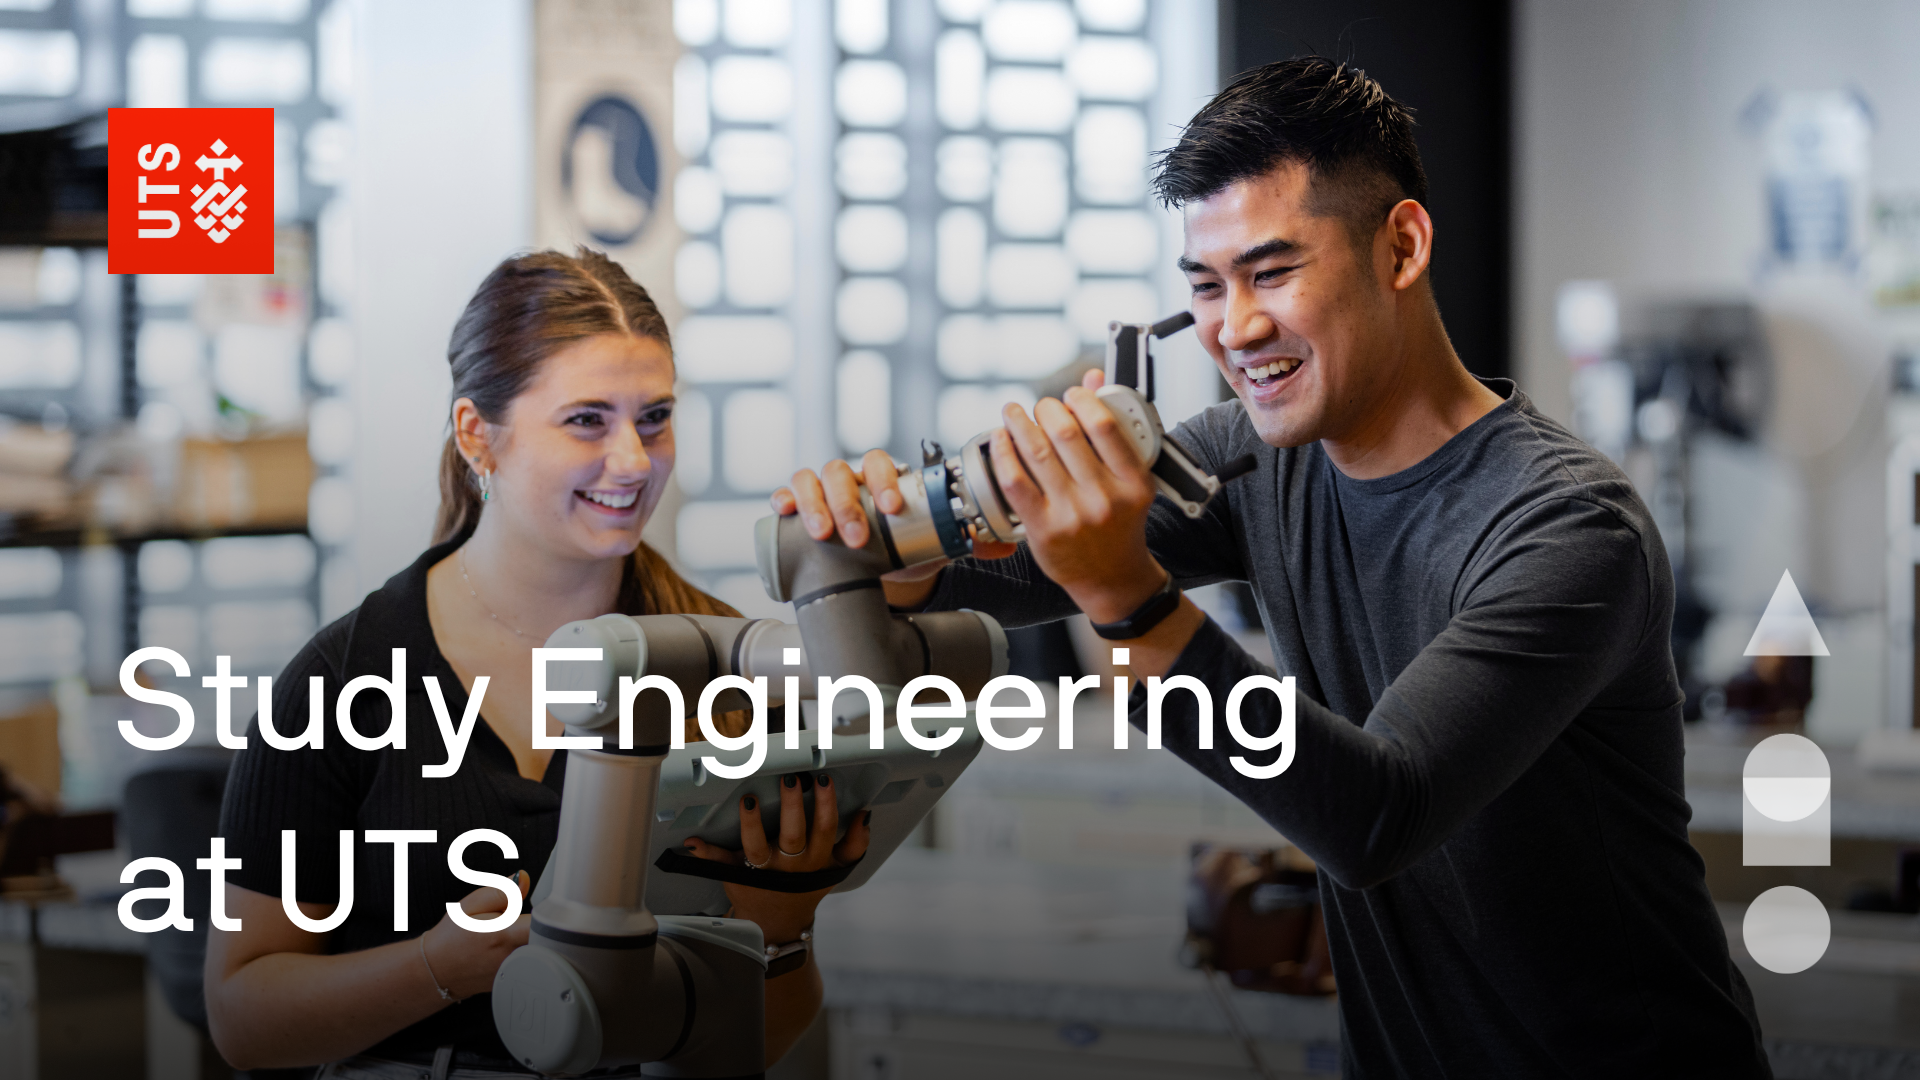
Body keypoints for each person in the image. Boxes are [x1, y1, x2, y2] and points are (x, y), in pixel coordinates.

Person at [780, 58, 1772, 1077]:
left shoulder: (1565, 527)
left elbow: (1378, 815)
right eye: (1206, 286)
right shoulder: (1251, 461)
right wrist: (889, 546)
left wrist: (1126, 599)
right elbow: (982, 581)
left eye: (1273, 271)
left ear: (1402, 246)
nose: (1236, 327)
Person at [206, 250, 867, 1077]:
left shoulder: (729, 669)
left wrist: (779, 930)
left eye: (654, 418)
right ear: (476, 435)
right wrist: (441, 967)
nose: (634, 461)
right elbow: (244, 1019)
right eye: (587, 420)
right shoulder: (344, 677)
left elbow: (754, 1047)